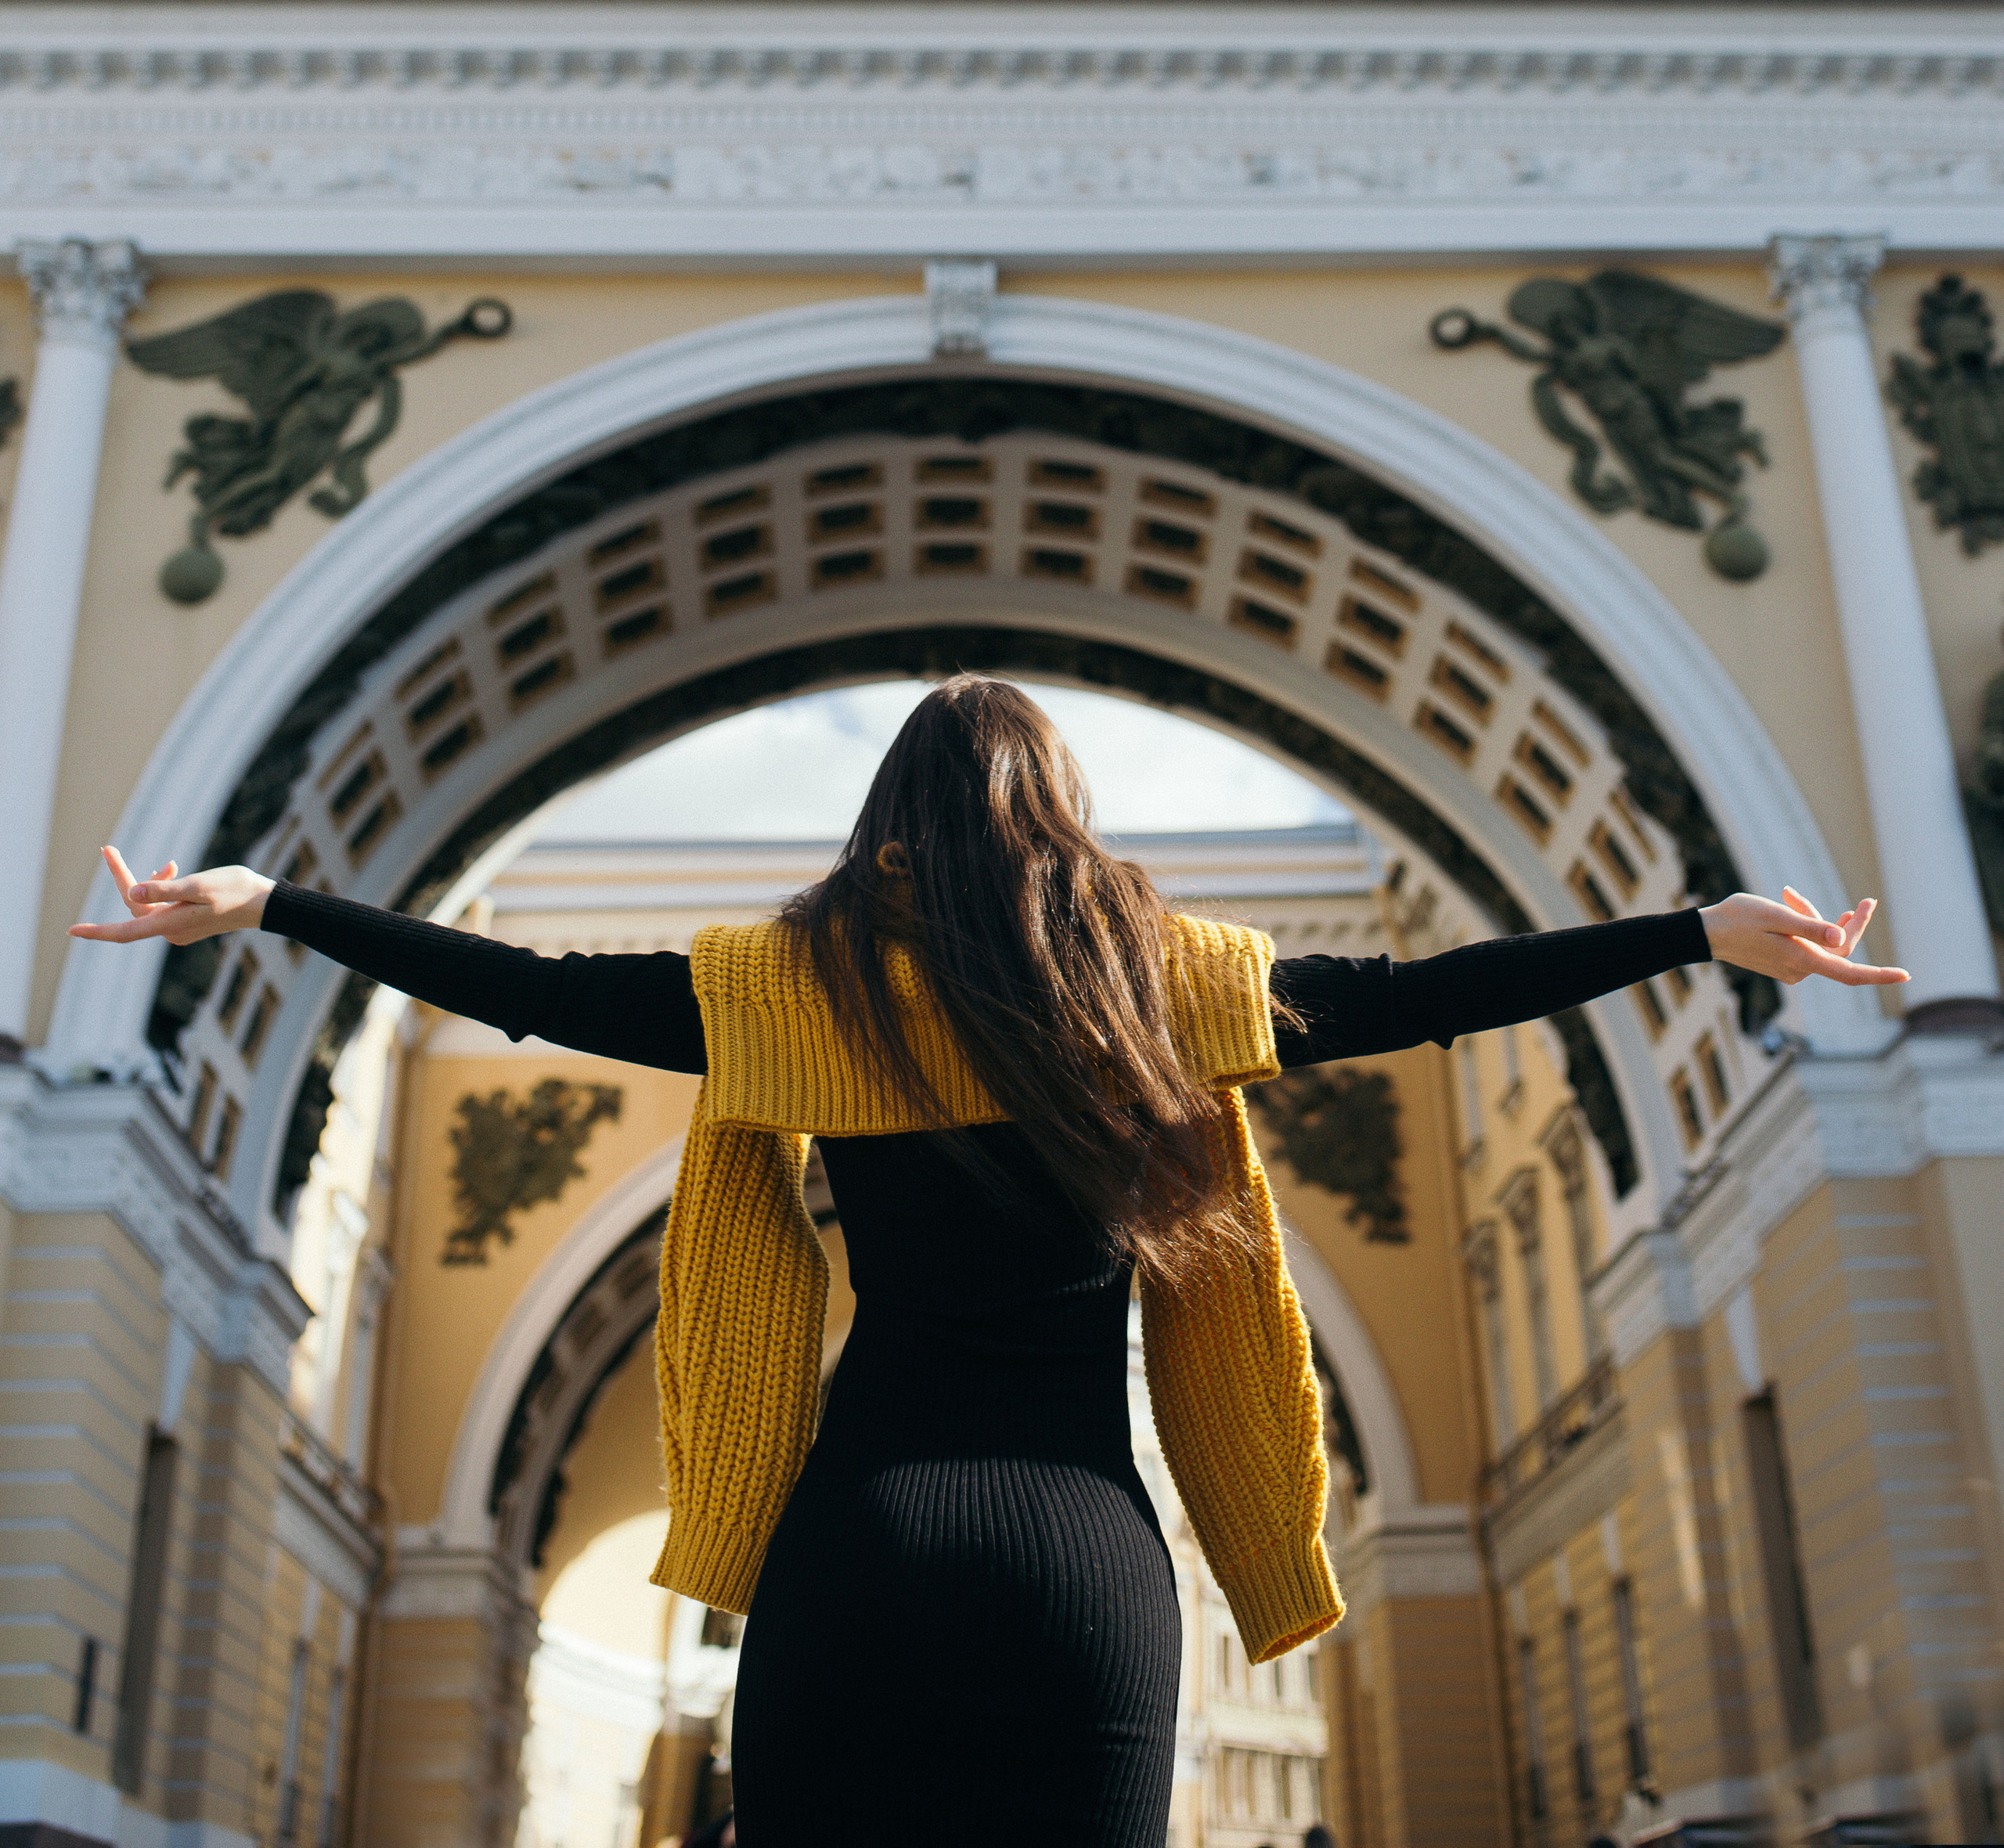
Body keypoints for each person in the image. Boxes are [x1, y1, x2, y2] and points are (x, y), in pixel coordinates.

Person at [72, 677, 1905, 1848]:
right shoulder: (1170, 990)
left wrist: (274, 903)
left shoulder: (786, 990)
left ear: (884, 818)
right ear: (1065, 817)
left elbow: (530, 992)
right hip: (1085, 1564)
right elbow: (1423, 995)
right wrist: (1691, 930)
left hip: (851, 1555)